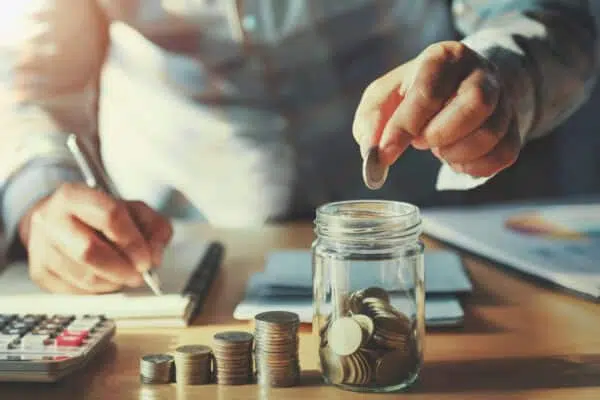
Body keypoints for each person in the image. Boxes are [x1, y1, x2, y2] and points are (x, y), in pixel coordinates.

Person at [0, 1, 596, 294]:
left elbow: (551, 13)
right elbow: (33, 79)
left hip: (443, 237)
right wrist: (40, 196)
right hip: (181, 251)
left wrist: (503, 76)